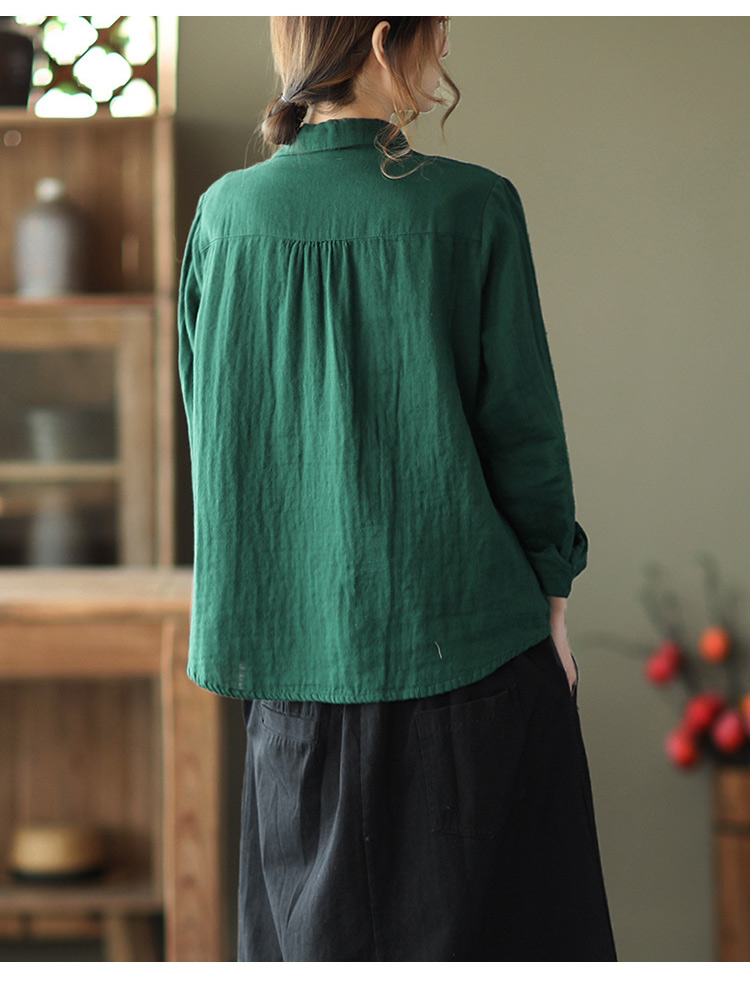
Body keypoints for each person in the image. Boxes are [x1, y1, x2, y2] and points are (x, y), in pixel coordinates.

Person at [177, 15, 618, 962]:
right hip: (474, 665)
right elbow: (525, 436)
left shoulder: (223, 217)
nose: (446, 50)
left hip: (293, 691)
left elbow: (215, 433)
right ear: (383, 40)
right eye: (438, 28)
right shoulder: (474, 206)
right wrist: (554, 599)